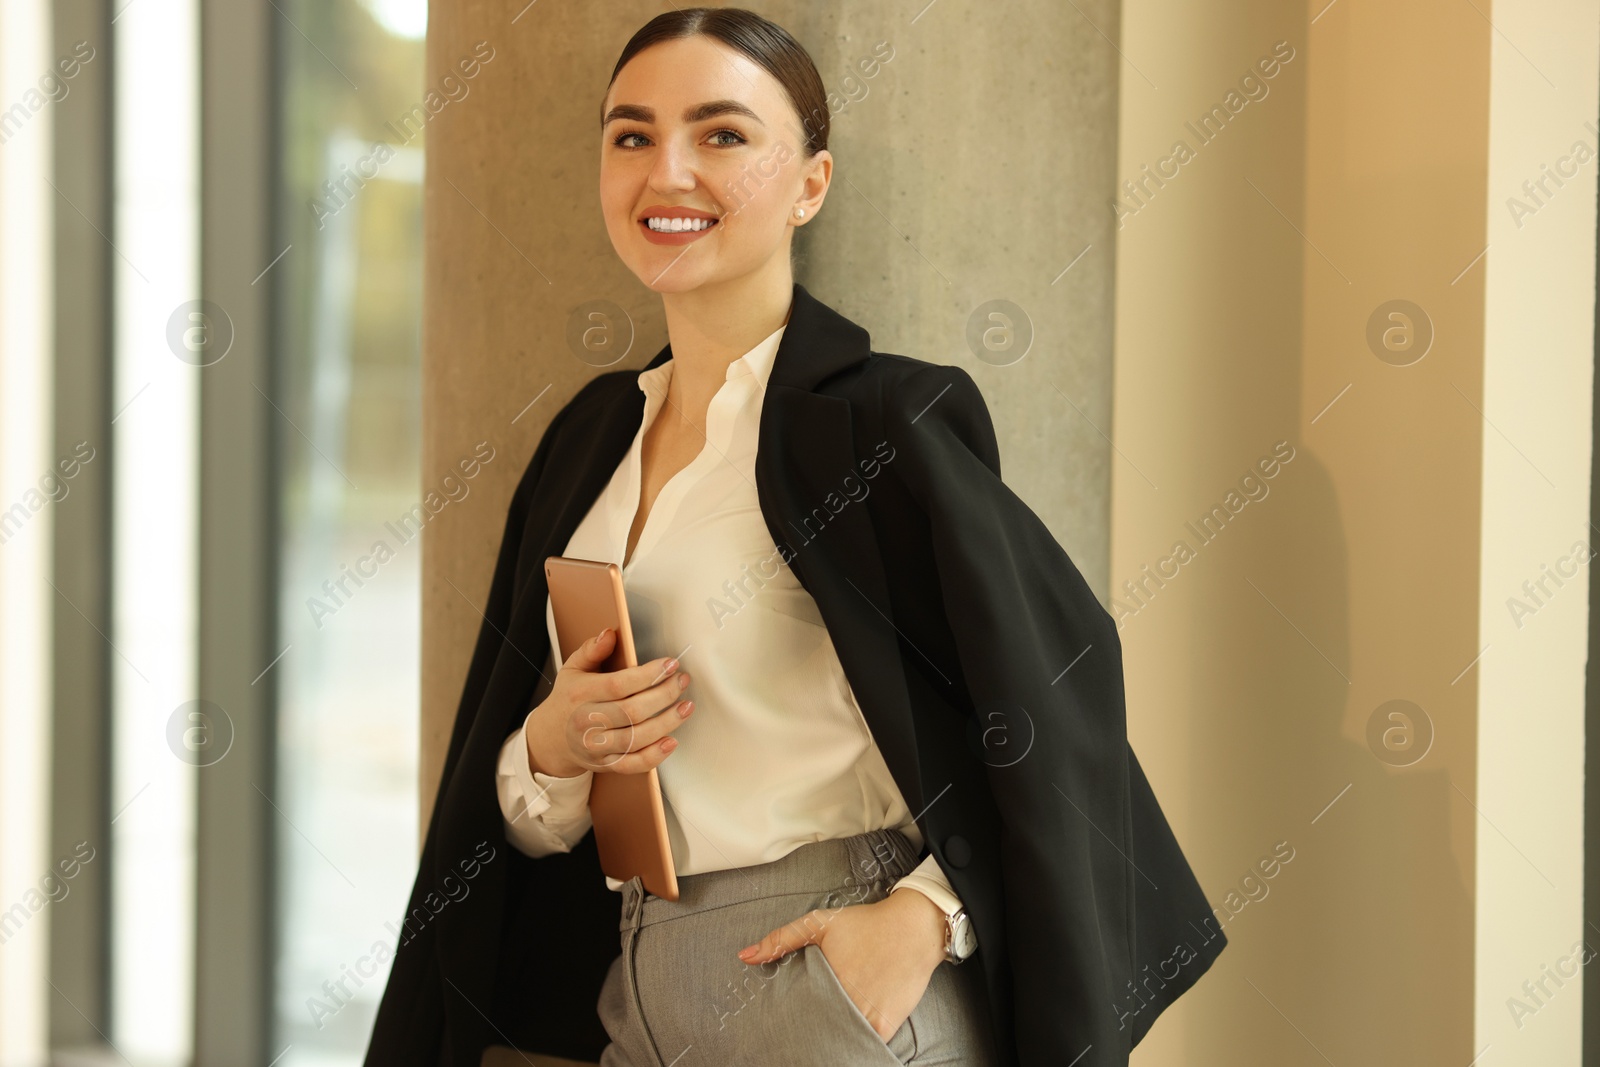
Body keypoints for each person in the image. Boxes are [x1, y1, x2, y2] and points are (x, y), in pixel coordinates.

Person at [365, 9, 1225, 1067]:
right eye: (630, 135)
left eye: (721, 135)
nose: (665, 170)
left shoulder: (880, 425)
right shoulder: (587, 440)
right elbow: (532, 820)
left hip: (830, 985)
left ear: (810, 182)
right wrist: (550, 747)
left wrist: (925, 915)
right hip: (632, 994)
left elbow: (1056, 698)